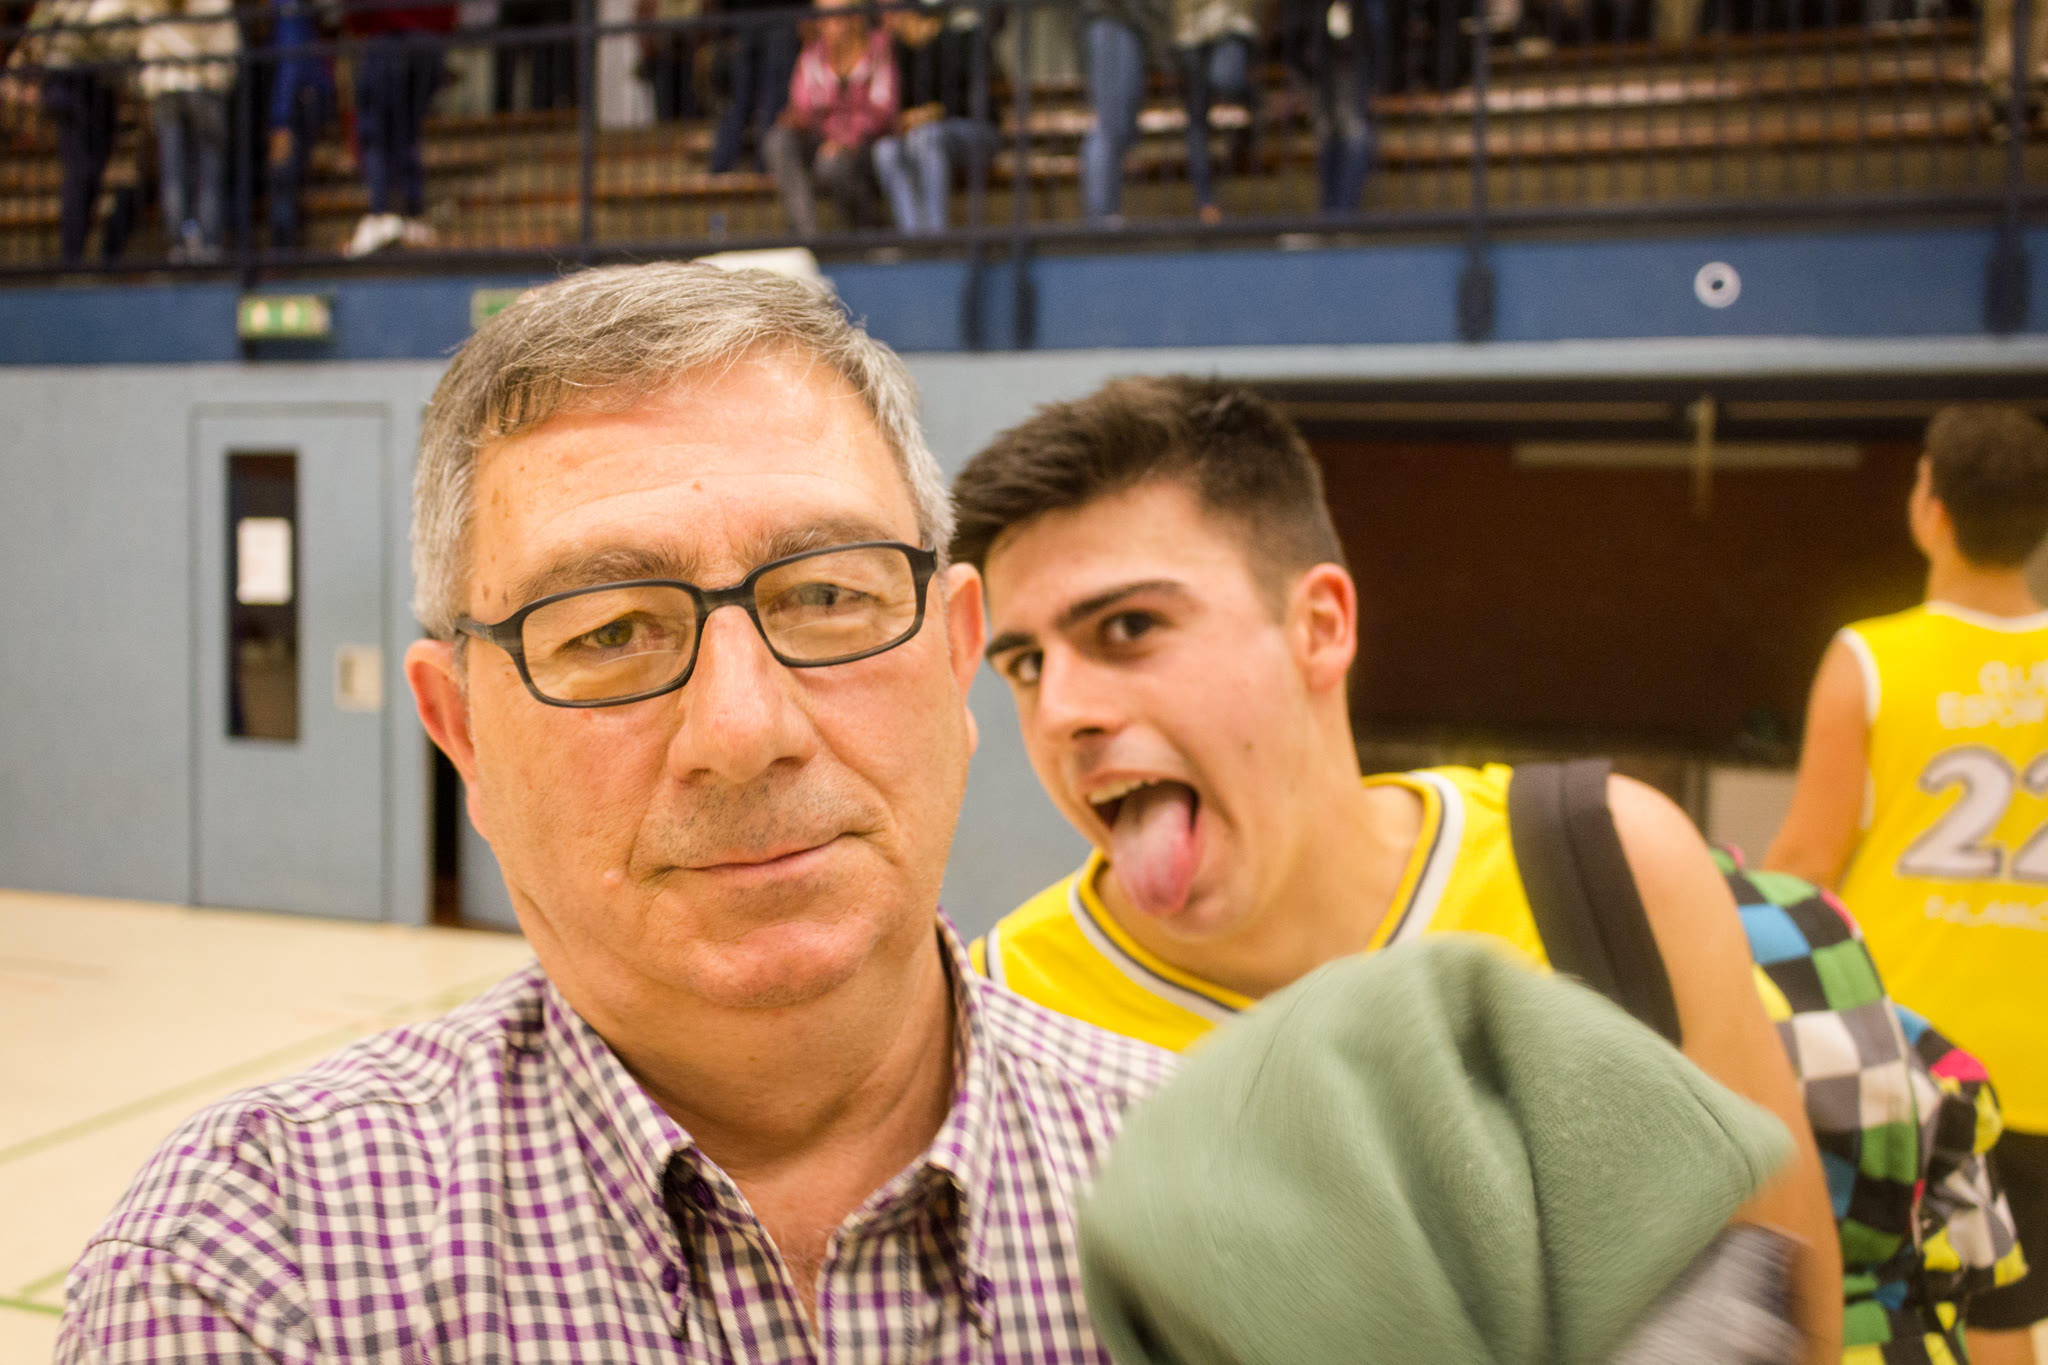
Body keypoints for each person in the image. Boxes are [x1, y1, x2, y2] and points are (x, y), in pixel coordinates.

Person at [56, 263, 1172, 1361]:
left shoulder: (1207, 1195)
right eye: (606, 630)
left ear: (956, 652)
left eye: (828, 594)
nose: (743, 730)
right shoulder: (252, 1269)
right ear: (462, 731)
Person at [948, 375, 1844, 1363]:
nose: (1061, 712)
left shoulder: (1609, 862)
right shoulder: (993, 1009)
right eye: (1025, 664)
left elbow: (1791, 1308)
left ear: (1320, 626)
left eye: (1128, 628)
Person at [1766, 403, 2048, 1365]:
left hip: (1918, 1065)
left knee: (1917, 1314)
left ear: (1932, 508)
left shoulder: (1870, 659)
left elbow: (1805, 866)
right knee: (2015, 1323)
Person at [2, 0, 141, 264]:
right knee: (82, 173)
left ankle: (91, 256)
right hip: (73, 85)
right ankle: (74, 256)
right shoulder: (61, 10)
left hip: (99, 85)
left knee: (98, 175)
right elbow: (35, 40)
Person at [763, 0, 896, 235]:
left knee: (832, 164)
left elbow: (883, 109)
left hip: (865, 144)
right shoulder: (812, 55)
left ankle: (867, 230)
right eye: (825, 17)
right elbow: (803, 105)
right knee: (778, 141)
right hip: (821, 141)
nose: (833, 24)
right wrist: (795, 119)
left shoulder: (877, 49)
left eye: (840, 15)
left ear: (856, 18)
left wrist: (845, 140)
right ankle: (808, 237)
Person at [870, 0, 995, 236]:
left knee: (926, 136)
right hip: (918, 139)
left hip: (974, 131)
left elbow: (976, 101)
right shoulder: (898, 53)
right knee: (884, 150)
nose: (883, 19)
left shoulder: (957, 38)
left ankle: (936, 236)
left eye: (889, 10)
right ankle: (915, 236)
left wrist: (935, 112)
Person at [341, 0, 452, 256]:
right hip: (427, 44)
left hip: (386, 41)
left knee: (376, 134)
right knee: (407, 134)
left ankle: (383, 216)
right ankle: (410, 215)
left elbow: (354, 12)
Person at [140, 0, 239, 262]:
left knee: (175, 169)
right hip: (202, 85)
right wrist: (222, 77)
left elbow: (148, 45)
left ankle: (181, 243)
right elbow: (228, 43)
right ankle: (207, 242)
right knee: (207, 168)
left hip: (168, 85)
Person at [1077, 0, 1167, 224]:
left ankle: (1107, 213)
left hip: (1128, 26)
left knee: (1121, 128)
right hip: (1109, 21)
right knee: (1109, 126)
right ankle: (1101, 215)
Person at [1171, 0, 1256, 223]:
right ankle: (1206, 202)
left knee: (1226, 78)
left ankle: (1256, 104)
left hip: (1229, 20)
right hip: (1188, 30)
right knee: (1197, 118)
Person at [263, 0, 334, 250]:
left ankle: (283, 251)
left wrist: (281, 121)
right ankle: (287, 249)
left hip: (297, 102)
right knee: (288, 179)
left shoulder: (286, 6)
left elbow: (290, 63)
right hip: (304, 96)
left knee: (283, 177)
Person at [708, 0, 798, 171]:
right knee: (769, 100)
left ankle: (722, 166)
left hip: (748, 19)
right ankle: (762, 167)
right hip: (779, 17)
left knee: (741, 99)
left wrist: (726, 30)